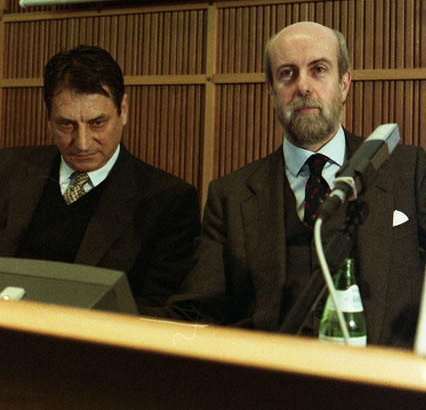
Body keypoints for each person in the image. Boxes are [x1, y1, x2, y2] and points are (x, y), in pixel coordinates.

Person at [163, 21, 426, 347]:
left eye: (318, 70)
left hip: (383, 375)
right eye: (287, 74)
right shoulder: (230, 195)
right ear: (271, 90)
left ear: (344, 84)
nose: (303, 86)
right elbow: (196, 312)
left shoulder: (406, 169)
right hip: (272, 374)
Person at [0, 45, 200, 312]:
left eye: (97, 123)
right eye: (66, 124)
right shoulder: (7, 169)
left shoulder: (167, 200)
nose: (82, 143)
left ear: (123, 110)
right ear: (48, 120)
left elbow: (160, 308)